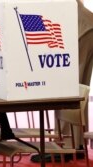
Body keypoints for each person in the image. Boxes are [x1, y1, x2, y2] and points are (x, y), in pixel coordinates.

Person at [31, 0, 93, 162]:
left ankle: (67, 146)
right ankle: (74, 144)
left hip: (80, 26)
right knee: (77, 85)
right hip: (82, 24)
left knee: (70, 86)